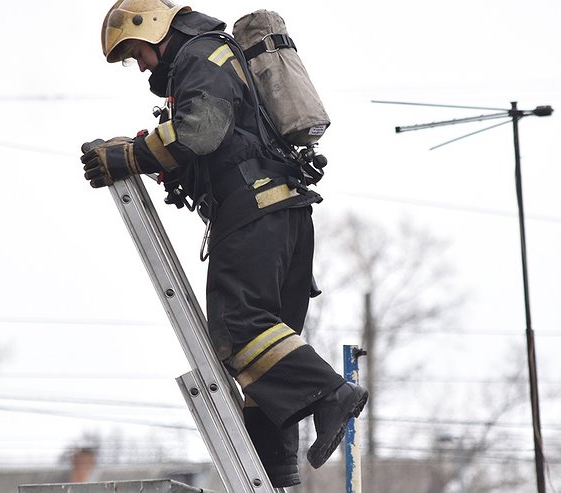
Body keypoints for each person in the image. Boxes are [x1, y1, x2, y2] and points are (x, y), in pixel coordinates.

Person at [80, 0, 368, 487]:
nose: (140, 65)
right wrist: (166, 162)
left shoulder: (200, 55)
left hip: (254, 214)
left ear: (152, 27)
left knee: (240, 329)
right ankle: (276, 473)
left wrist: (130, 155)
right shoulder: (210, 61)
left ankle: (329, 392)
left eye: (136, 53)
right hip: (283, 215)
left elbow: (201, 132)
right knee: (266, 356)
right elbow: (215, 139)